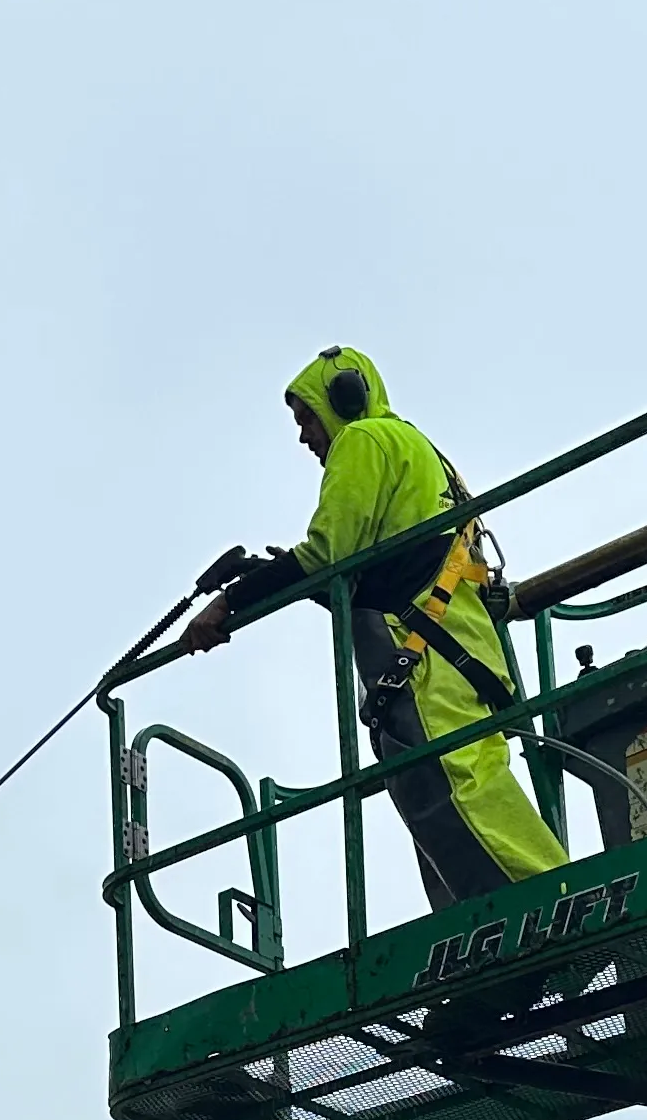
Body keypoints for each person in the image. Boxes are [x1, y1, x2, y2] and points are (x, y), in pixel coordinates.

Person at [182, 346, 566, 906]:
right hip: (453, 647)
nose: (304, 436)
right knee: (457, 788)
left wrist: (229, 603)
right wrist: (297, 579)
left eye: (308, 418)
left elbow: (327, 553)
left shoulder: (363, 439)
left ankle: (558, 902)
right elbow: (375, 569)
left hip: (425, 655)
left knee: (457, 789)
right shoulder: (417, 449)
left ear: (344, 398)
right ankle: (506, 918)